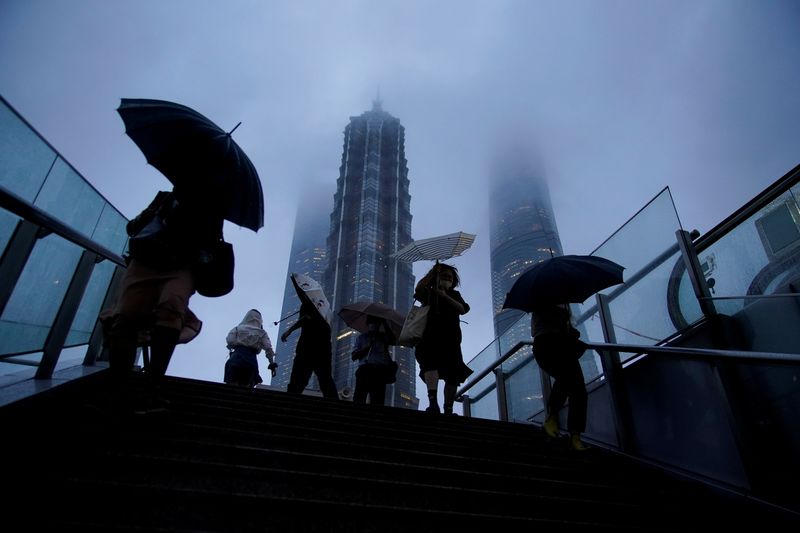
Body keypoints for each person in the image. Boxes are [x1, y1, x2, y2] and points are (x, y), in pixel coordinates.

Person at [106, 186, 225, 412]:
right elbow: (133, 227)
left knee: (171, 308)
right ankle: (117, 389)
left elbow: (213, 245)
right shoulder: (164, 198)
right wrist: (154, 213)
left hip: (182, 264)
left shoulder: (213, 208)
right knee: (125, 317)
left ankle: (151, 388)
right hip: (145, 259)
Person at [531, 301, 591, 451]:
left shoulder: (564, 302)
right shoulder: (542, 298)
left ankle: (574, 435)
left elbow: (565, 327)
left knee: (578, 389)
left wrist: (569, 329)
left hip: (564, 346)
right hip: (546, 344)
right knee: (567, 379)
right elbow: (538, 330)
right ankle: (553, 419)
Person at [413, 263, 472, 415]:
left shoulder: (455, 295)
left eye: (450, 277)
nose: (447, 279)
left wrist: (444, 296)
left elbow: (463, 309)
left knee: (453, 375)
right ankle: (433, 403)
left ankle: (448, 408)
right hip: (429, 338)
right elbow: (418, 290)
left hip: (451, 341)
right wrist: (432, 274)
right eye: (444, 275)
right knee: (430, 366)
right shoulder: (428, 292)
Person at [280, 300, 339, 399]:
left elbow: (306, 318)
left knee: (298, 380)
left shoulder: (308, 304)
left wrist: (289, 330)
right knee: (325, 380)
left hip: (307, 348)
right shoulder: (326, 308)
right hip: (323, 349)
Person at [224, 309, 278, 388]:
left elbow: (230, 340)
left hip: (235, 358)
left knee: (231, 387)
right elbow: (268, 349)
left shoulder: (237, 328)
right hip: (250, 361)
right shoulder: (262, 333)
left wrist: (239, 343)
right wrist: (271, 363)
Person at [351, 315, 396, 405]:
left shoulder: (383, 337)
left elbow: (392, 339)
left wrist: (384, 323)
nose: (374, 325)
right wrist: (367, 347)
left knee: (378, 401)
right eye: (372, 323)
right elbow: (354, 356)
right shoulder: (361, 337)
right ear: (368, 324)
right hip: (364, 369)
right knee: (359, 398)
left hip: (379, 371)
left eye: (376, 323)